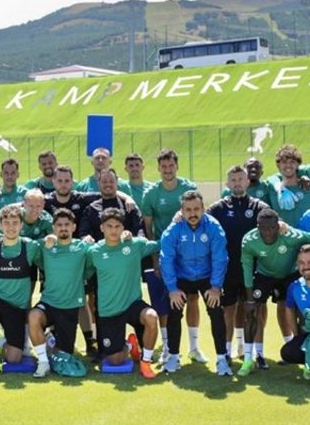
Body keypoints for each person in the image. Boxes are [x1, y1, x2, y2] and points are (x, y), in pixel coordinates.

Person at [239, 208, 310, 374]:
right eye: (263, 228)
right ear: (257, 227)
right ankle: (251, 358)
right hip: (265, 274)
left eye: (271, 228)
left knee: (302, 312)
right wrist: (249, 299)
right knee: (252, 312)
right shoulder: (249, 240)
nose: (268, 232)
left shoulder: (291, 235)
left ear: (279, 226)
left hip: (290, 274)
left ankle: (306, 359)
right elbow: (247, 268)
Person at [158, 191, 230, 374]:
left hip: (207, 276)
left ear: (203, 208)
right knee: (174, 311)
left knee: (216, 311)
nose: (193, 213)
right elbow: (166, 259)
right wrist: (173, 289)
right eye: (188, 210)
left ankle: (222, 359)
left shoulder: (213, 227)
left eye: (196, 209)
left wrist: (215, 287)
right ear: (181, 211)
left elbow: (220, 258)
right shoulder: (173, 230)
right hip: (182, 276)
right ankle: (173, 357)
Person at [142, 149, 204, 361]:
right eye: (163, 166)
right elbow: (149, 229)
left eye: (171, 166)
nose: (167, 170)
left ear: (177, 166)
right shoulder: (151, 193)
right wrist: (155, 258)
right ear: (158, 168)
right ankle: (168, 348)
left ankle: (194, 347)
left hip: (188, 255)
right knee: (165, 301)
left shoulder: (188, 188)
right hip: (165, 255)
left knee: (193, 298)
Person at [85, 208, 161, 379]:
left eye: (117, 226)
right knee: (115, 360)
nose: (114, 230)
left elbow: (161, 243)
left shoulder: (134, 245)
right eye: (109, 226)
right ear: (102, 227)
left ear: (123, 227)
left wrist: (178, 222)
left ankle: (146, 362)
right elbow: (84, 270)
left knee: (151, 316)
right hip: (109, 309)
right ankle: (129, 345)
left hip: (133, 303)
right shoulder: (94, 252)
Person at [207, 164, 271, 364]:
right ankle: (225, 351)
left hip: (253, 268)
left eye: (240, 179)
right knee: (229, 309)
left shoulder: (259, 207)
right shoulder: (218, 208)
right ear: (227, 183)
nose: (237, 183)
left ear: (247, 182)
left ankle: (258, 354)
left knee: (255, 310)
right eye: (233, 180)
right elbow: (200, 220)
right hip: (228, 268)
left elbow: (272, 225)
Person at [0, 205, 42, 377]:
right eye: (7, 223)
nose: (11, 227)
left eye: (15, 223)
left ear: (21, 226)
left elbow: (47, 266)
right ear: (0, 225)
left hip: (17, 307)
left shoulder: (31, 247)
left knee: (14, 358)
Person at [31, 208, 93, 376]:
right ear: (53, 228)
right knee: (33, 316)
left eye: (67, 224)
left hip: (70, 307)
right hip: (49, 302)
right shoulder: (45, 245)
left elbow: (90, 269)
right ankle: (43, 362)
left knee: (64, 353)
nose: (63, 228)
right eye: (59, 225)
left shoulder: (83, 248)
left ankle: (51, 342)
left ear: (74, 227)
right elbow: (22, 244)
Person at [269, 144, 310, 227]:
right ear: (278, 165)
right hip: (281, 237)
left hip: (305, 237)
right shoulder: (271, 189)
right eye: (284, 162)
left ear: (298, 165)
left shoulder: (308, 188)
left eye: (292, 162)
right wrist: (280, 188)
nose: (288, 165)